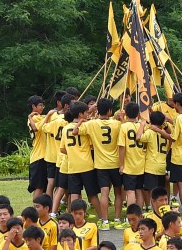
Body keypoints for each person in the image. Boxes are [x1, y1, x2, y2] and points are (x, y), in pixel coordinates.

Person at [75, 98, 123, 229]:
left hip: (101, 164)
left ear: (98, 109)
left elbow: (75, 131)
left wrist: (81, 121)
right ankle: (118, 219)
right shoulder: (116, 124)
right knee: (119, 192)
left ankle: (105, 221)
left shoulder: (92, 124)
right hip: (115, 162)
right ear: (109, 110)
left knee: (104, 193)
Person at [59, 101, 103, 221]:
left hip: (73, 166)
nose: (88, 115)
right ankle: (102, 218)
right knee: (92, 194)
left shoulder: (65, 128)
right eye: (86, 113)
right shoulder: (85, 127)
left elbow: (62, 149)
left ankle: (72, 220)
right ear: (80, 114)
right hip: (87, 165)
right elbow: (92, 145)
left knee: (74, 194)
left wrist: (73, 152)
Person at [138, 111, 170, 210]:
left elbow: (138, 137)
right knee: (161, 191)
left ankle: (154, 210)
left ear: (150, 121)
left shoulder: (150, 132)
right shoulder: (165, 135)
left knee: (152, 192)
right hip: (162, 166)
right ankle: (163, 208)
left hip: (151, 166)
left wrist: (142, 125)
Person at [118, 102, 146, 207]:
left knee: (130, 192)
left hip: (129, 165)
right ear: (138, 114)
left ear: (126, 114)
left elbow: (122, 147)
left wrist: (121, 165)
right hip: (141, 163)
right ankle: (139, 214)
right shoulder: (142, 126)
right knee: (139, 191)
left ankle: (131, 215)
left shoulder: (124, 127)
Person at [27, 95, 47, 198]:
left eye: (43, 105)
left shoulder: (40, 117)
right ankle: (35, 211)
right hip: (39, 156)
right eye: (40, 105)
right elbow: (36, 128)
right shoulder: (35, 117)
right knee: (39, 187)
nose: (42, 107)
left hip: (43, 156)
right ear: (33, 106)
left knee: (45, 187)